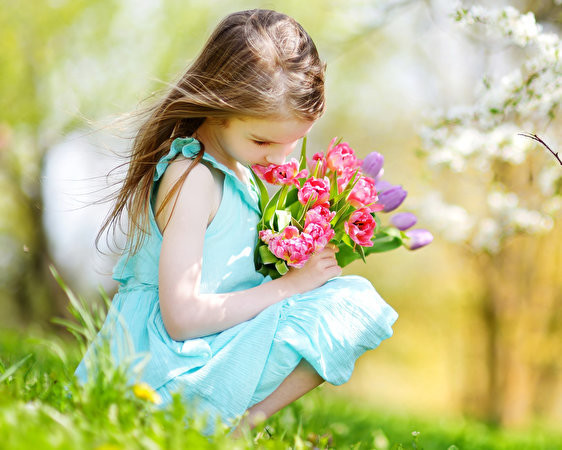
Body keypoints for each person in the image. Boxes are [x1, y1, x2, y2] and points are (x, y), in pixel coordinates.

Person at [75, 8, 398, 434]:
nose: (279, 157)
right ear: (216, 106)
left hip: (198, 353)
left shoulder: (238, 173)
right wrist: (289, 287)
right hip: (155, 373)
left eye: (292, 143)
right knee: (345, 303)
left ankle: (237, 425)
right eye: (262, 140)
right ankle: (234, 427)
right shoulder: (192, 177)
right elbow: (183, 317)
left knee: (352, 303)